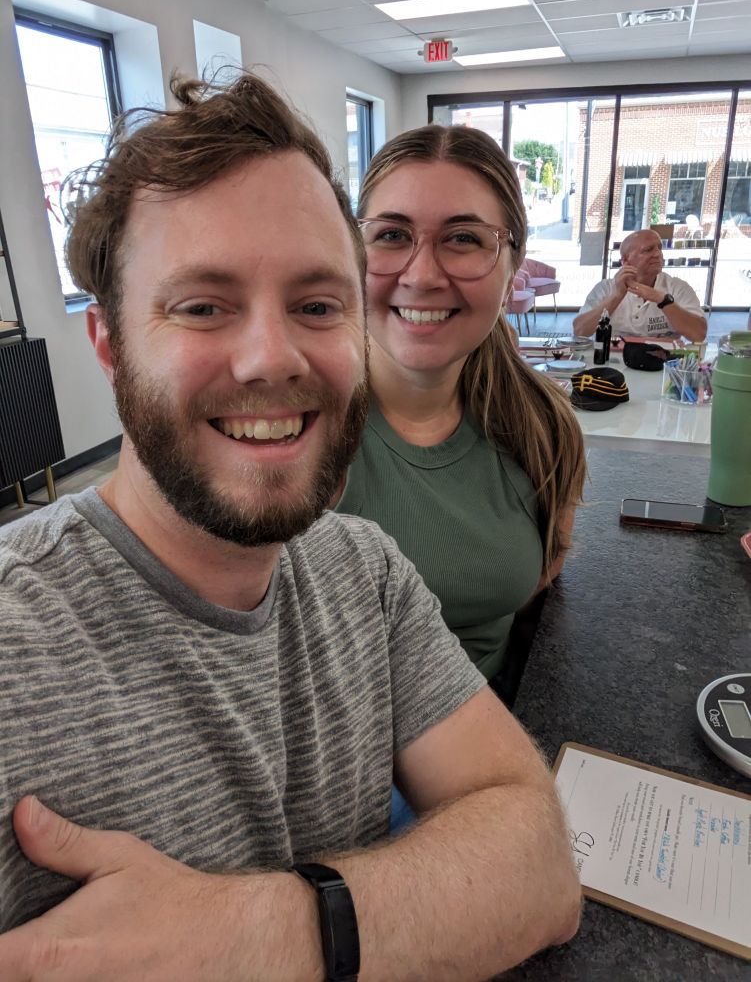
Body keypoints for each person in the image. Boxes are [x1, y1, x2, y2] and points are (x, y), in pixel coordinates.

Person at [0, 74, 580, 980]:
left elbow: (541, 866)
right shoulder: (18, 645)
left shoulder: (362, 573)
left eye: (315, 305)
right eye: (202, 305)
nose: (272, 356)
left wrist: (267, 933)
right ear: (108, 342)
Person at [337, 125, 587, 690]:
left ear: (513, 267)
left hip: (492, 732)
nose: (422, 275)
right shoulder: (291, 425)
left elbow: (543, 576)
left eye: (464, 239)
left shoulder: (544, 426)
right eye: (393, 234)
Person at [574, 228, 707, 340]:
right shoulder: (605, 288)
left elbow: (699, 335)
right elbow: (580, 331)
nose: (657, 254)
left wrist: (662, 300)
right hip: (612, 362)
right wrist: (617, 295)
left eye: (659, 248)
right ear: (625, 260)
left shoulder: (677, 288)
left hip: (661, 364)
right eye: (648, 250)